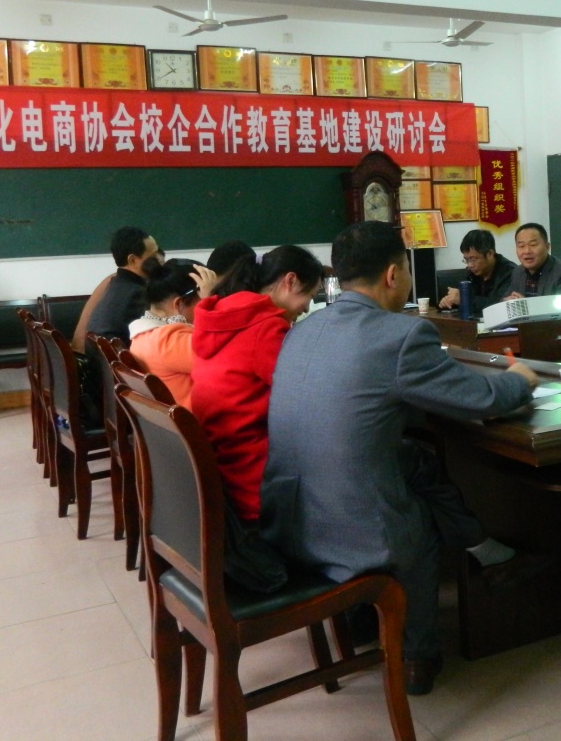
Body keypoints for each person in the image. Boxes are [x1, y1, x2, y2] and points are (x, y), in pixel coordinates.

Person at [262, 222, 543, 695]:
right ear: (394, 274)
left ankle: (371, 616)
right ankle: (417, 658)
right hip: (350, 530)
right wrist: (521, 380)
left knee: (411, 459)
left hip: (287, 519)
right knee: (418, 529)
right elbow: (482, 399)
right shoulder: (402, 334)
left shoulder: (301, 329)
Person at [191, 245, 323, 524]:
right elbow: (307, 398)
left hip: (225, 466)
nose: (306, 308)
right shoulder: (266, 327)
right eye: (309, 296)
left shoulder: (221, 315)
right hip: (255, 478)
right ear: (290, 281)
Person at [127, 258, 218, 411]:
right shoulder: (170, 340)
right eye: (202, 299)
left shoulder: (143, 335)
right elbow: (225, 360)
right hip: (199, 421)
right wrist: (212, 306)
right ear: (179, 304)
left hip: (179, 420)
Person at [84, 226, 164, 345]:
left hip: (101, 356)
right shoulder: (137, 293)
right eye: (154, 255)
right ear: (133, 260)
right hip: (119, 355)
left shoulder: (116, 284)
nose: (160, 259)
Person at [438, 229, 517, 314]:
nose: (470, 265)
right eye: (466, 260)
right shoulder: (472, 273)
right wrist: (450, 301)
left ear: (490, 254)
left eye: (473, 259)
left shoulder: (510, 273)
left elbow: (500, 305)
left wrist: (464, 299)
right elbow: (463, 298)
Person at [505, 222, 561, 299]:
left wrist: (526, 304)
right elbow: (506, 299)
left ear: (547, 247)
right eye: (521, 246)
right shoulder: (518, 272)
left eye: (533, 245)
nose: (527, 251)